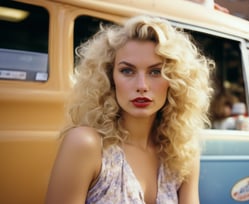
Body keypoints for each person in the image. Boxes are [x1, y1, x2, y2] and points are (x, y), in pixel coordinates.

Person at [46, 15, 213, 204]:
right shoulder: (87, 145)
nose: (142, 85)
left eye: (155, 72)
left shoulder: (181, 153)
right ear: (110, 78)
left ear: (174, 81)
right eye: (127, 71)